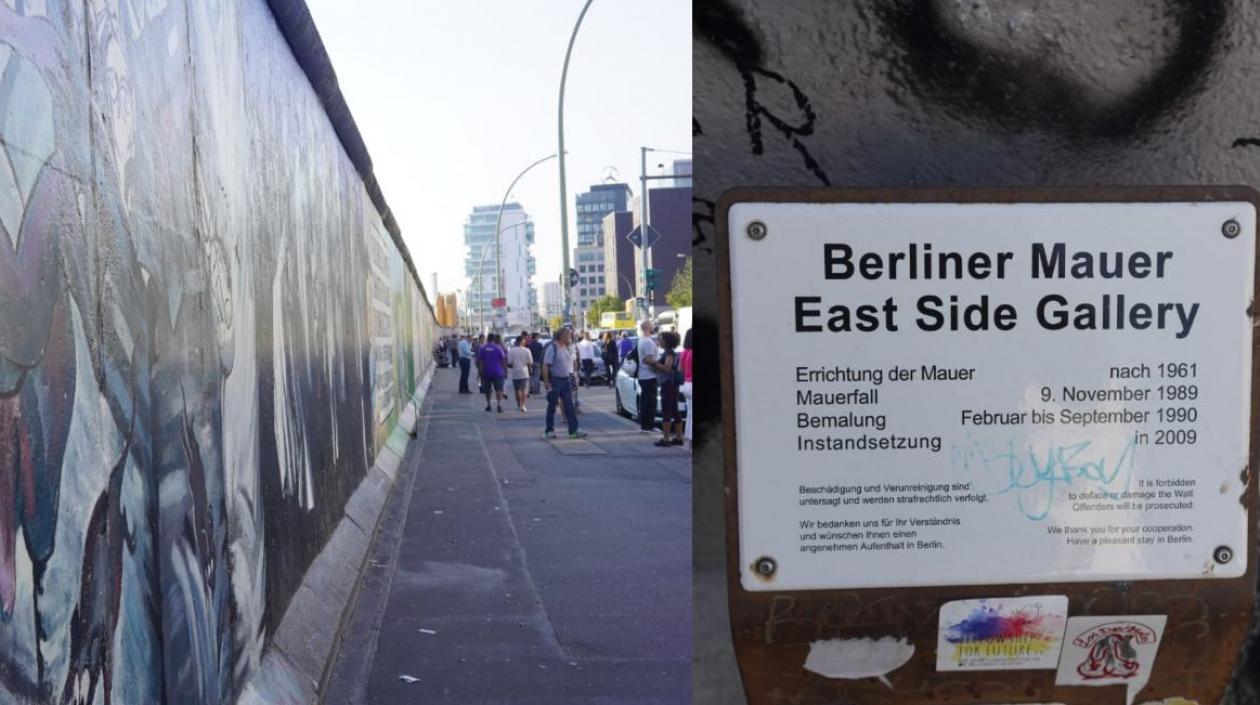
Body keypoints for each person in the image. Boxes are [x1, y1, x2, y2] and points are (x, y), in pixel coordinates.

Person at [541, 328, 586, 439]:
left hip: (566, 380)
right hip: (555, 381)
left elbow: (571, 362)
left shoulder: (566, 348)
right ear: (561, 336)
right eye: (568, 335)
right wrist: (546, 382)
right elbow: (546, 365)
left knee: (569, 406)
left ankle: (573, 431)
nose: (570, 337)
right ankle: (549, 431)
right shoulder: (553, 348)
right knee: (552, 406)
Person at [655, 331, 683, 447]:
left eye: (661, 339)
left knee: (666, 410)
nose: (659, 341)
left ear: (666, 341)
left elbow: (667, 368)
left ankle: (666, 438)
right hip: (672, 385)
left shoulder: (669, 353)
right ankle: (678, 437)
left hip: (668, 384)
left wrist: (654, 363)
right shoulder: (671, 352)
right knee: (674, 410)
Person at [636, 320, 660, 433]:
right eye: (651, 324)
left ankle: (646, 425)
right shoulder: (647, 342)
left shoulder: (643, 340)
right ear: (647, 327)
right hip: (649, 375)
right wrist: (661, 365)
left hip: (644, 375)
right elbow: (647, 359)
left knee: (647, 401)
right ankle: (648, 426)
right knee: (650, 402)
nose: (653, 325)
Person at [478, 333, 508, 413]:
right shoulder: (498, 348)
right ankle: (499, 405)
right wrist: (504, 371)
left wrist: (479, 373)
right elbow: (503, 360)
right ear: (494, 339)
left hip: (486, 372)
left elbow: (481, 363)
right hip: (498, 372)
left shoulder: (483, 348)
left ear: (487, 339)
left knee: (487, 390)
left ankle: (488, 405)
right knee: (499, 390)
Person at [507, 333, 533, 411]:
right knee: (524, 390)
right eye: (524, 340)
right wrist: (530, 369)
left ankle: (519, 403)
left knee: (517, 390)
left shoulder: (511, 350)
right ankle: (523, 405)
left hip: (515, 372)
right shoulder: (527, 350)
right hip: (524, 372)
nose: (525, 342)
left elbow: (509, 362)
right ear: (521, 341)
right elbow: (530, 362)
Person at [680, 328, 693, 448]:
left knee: (689, 414)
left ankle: (688, 439)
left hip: (686, 384)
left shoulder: (684, 352)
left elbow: (680, 369)